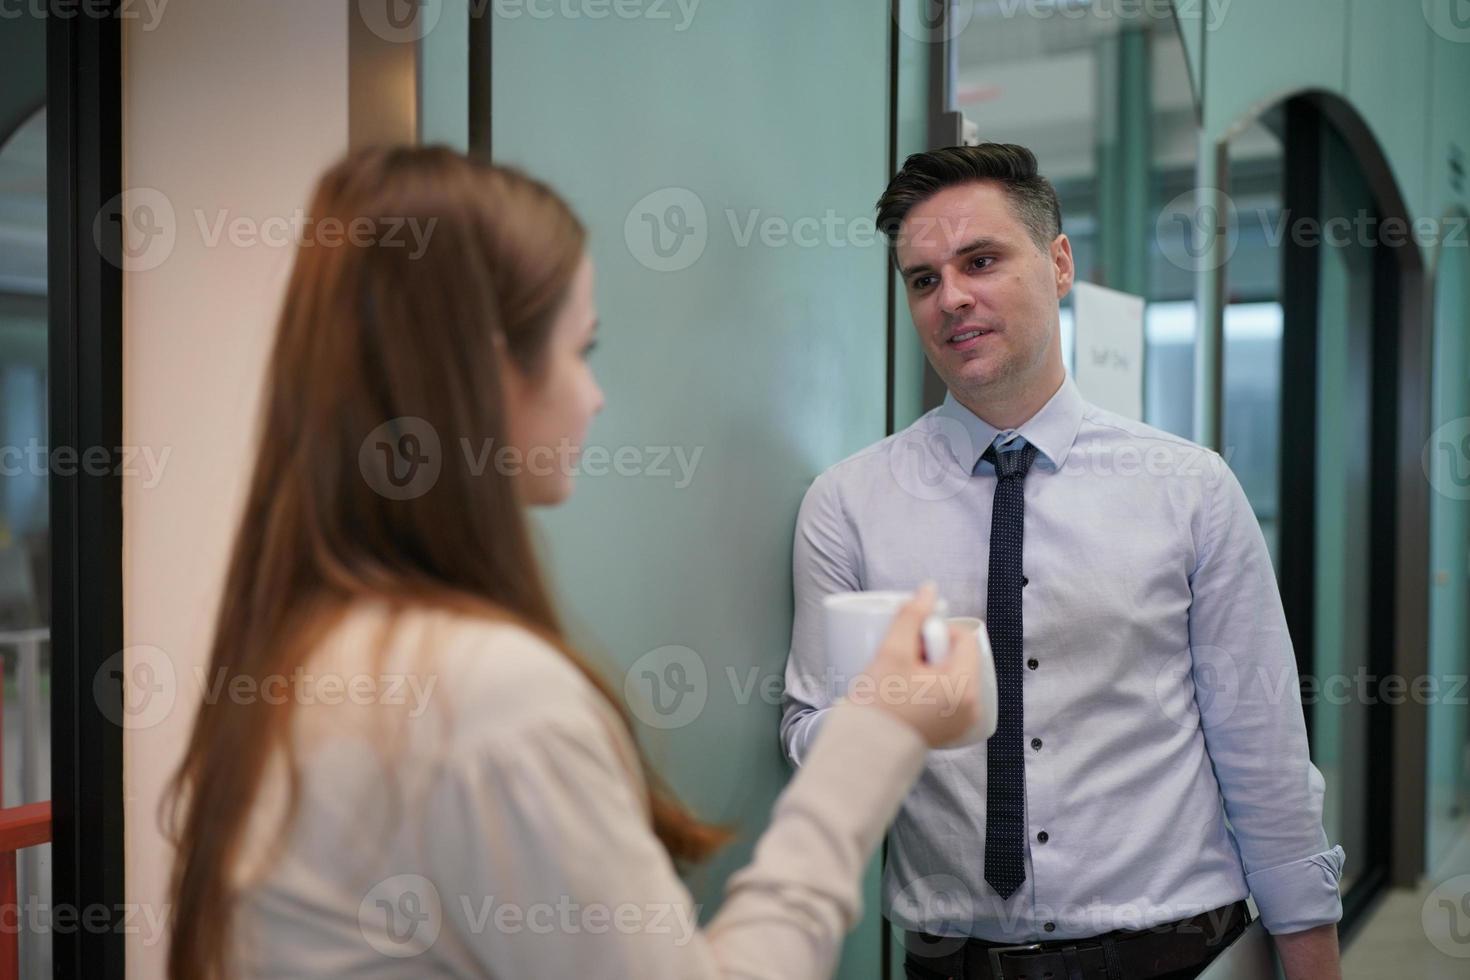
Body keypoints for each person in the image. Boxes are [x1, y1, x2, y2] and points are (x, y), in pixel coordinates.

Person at [163, 146, 983, 980]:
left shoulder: (308, 651)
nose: (592, 397)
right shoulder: (483, 697)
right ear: (486, 372)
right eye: (579, 350)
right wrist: (878, 732)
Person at [780, 144, 1345, 980]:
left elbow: (1259, 746)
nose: (952, 298)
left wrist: (1311, 951)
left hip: (1175, 951)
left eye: (980, 261)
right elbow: (803, 736)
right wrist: (890, 711)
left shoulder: (1187, 488)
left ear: (1058, 262)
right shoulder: (848, 503)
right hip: (951, 961)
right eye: (923, 279)